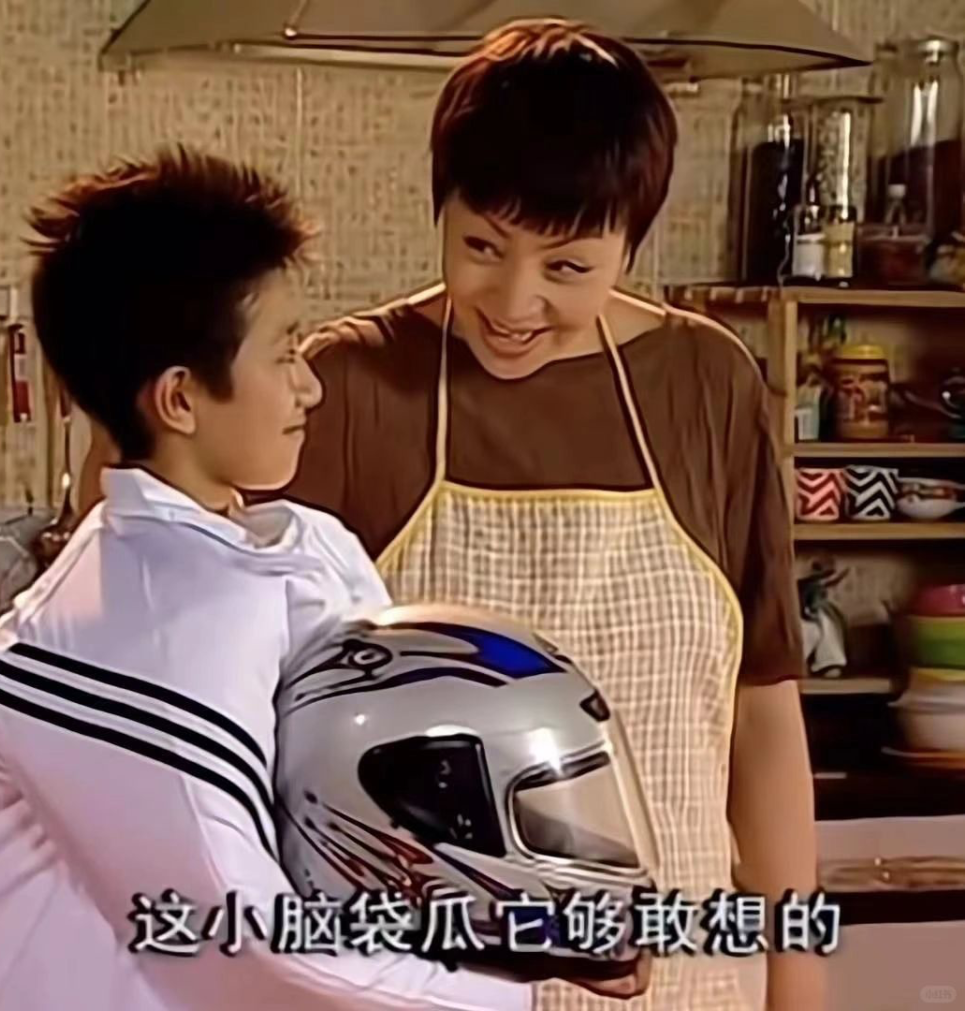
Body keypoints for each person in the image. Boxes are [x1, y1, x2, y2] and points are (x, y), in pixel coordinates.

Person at [79, 20, 823, 1011]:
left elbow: (762, 711)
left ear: (630, 242)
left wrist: (797, 984)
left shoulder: (706, 385)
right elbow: (162, 602)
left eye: (568, 267)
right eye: (481, 246)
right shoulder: (347, 385)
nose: (513, 301)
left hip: (680, 981)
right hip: (418, 987)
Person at [0, 147, 534, 1011]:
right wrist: (512, 977)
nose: (309, 387)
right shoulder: (116, 634)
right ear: (180, 399)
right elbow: (246, 939)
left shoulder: (309, 547)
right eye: (283, 355)